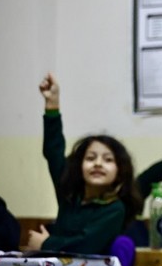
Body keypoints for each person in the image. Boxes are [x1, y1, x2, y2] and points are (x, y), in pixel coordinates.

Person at [26, 73, 143, 255]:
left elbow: (85, 244)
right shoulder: (70, 195)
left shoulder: (114, 208)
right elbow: (54, 152)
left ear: (119, 171)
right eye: (90, 158)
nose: (98, 163)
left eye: (108, 159)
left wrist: (46, 243)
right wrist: (52, 105)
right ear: (79, 167)